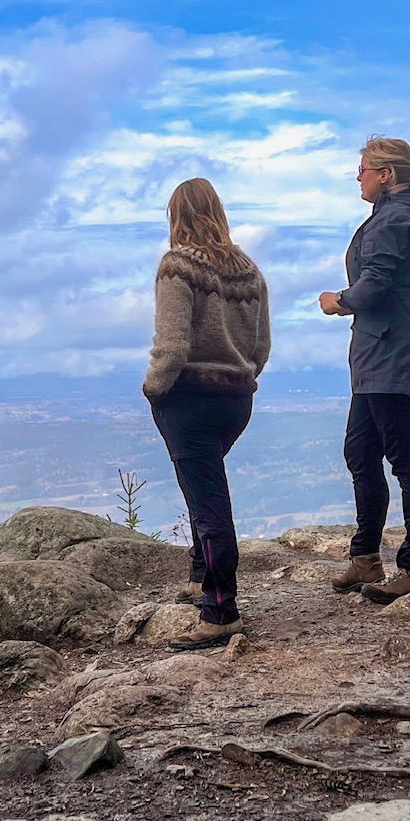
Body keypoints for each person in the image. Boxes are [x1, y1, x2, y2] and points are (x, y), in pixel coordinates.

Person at [319, 136, 410, 605]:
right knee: (360, 452)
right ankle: (365, 557)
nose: (358, 176)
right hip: (382, 353)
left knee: (407, 460)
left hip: (395, 352)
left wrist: (339, 302)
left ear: (386, 175)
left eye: (364, 168)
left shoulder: (395, 217)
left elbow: (374, 284)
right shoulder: (397, 214)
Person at [144, 178, 271, 650]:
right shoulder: (249, 270)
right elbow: (261, 347)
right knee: (204, 486)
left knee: (208, 501)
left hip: (190, 396)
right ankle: (201, 578)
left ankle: (221, 610)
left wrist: (154, 389)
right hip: (237, 399)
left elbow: (172, 344)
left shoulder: (177, 266)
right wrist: (240, 376)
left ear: (177, 216)